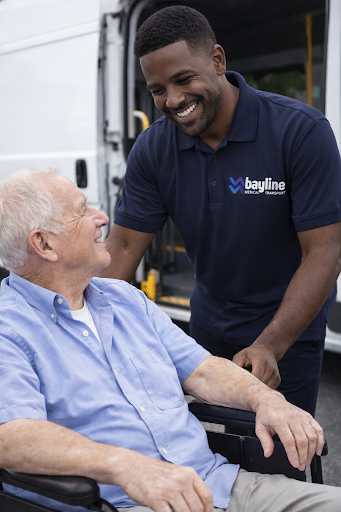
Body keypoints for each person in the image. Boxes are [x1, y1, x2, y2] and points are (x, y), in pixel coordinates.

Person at [0, 168, 340, 512]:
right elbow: (12, 436)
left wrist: (265, 400)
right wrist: (127, 466)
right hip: (123, 503)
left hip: (215, 484)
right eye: (82, 210)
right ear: (44, 244)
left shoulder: (124, 299)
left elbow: (204, 371)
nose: (101, 218)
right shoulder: (7, 328)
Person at [99, 5, 341, 417]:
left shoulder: (300, 131)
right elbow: (122, 248)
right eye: (157, 89)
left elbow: (326, 252)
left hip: (288, 332)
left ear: (217, 60)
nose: (173, 100)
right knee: (208, 451)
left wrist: (270, 344)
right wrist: (67, 325)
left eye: (183, 79)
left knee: (279, 457)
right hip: (208, 325)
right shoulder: (154, 148)